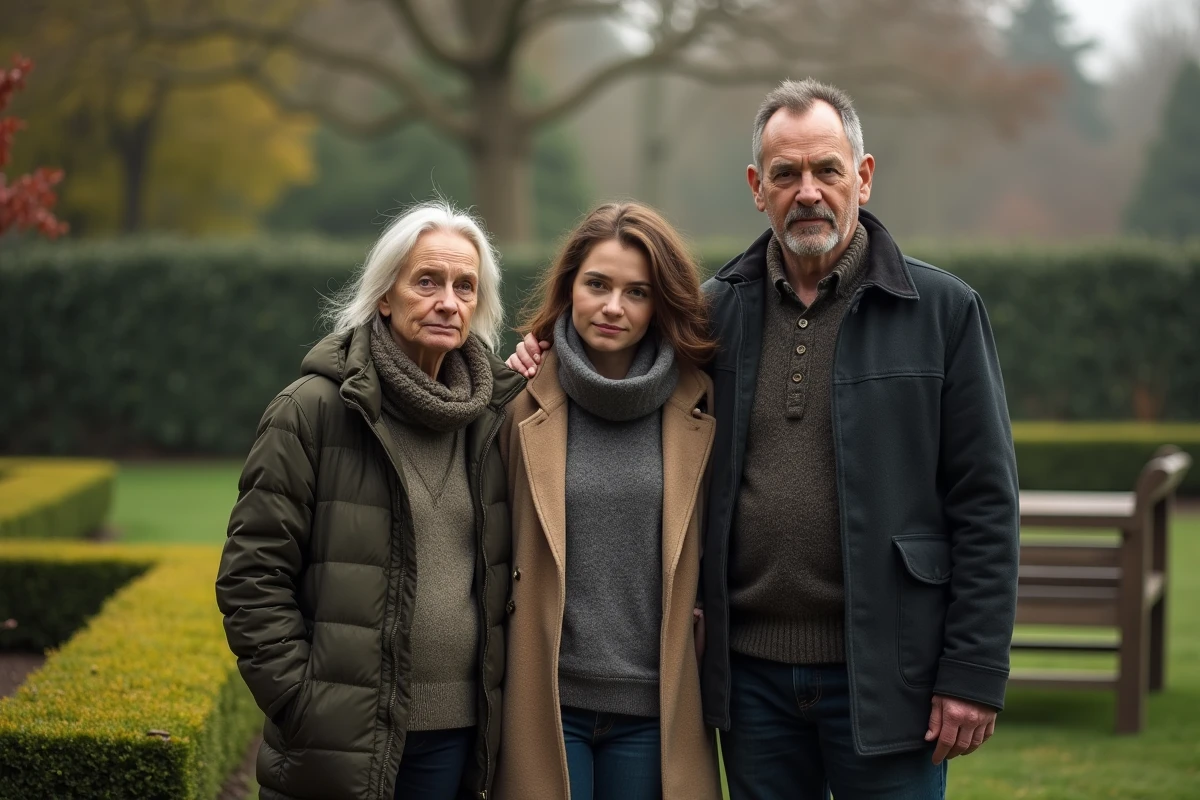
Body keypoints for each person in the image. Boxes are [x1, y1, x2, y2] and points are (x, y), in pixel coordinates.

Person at [508, 79, 1020, 800]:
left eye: (827, 170)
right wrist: (539, 354)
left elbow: (987, 506)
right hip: (749, 684)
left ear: (863, 178)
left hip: (889, 675)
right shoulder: (713, 316)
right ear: (758, 187)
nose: (807, 191)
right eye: (786, 174)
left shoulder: (942, 312)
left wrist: (973, 673)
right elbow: (613, 353)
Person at [217, 200, 524, 800]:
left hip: (457, 735)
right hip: (340, 740)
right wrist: (304, 705)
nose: (448, 301)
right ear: (385, 295)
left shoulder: (494, 418)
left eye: (466, 286)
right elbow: (251, 578)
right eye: (427, 281)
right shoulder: (311, 411)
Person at [494, 202, 722, 800]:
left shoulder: (704, 405)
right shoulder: (516, 400)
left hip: (655, 707)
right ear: (570, 287)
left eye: (637, 292)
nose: (613, 307)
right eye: (597, 284)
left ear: (660, 303)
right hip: (546, 701)